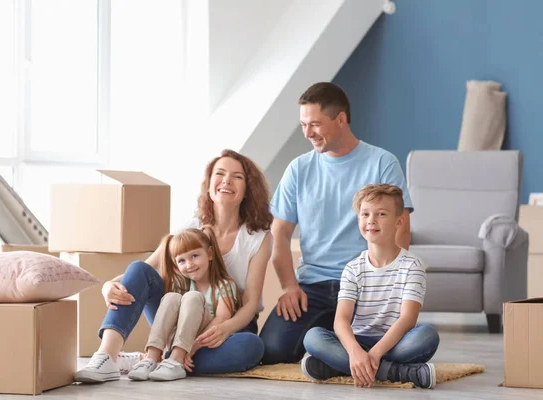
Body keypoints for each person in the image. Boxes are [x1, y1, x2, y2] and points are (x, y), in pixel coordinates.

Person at [75, 149, 273, 383]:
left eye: (237, 176)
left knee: (251, 347)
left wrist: (225, 328)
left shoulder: (257, 237)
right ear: (209, 184)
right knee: (138, 268)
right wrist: (109, 285)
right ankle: (108, 356)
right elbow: (144, 272)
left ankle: (159, 358)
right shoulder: (191, 226)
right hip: (178, 317)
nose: (226, 181)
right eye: (219, 174)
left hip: (228, 322)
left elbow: (250, 303)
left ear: (248, 188)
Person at [260, 82, 414, 365]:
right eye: (304, 125)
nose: (307, 133)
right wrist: (288, 287)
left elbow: (401, 228)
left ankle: (333, 356)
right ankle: (346, 353)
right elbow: (279, 234)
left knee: (412, 342)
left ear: (340, 119)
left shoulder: (381, 162)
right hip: (313, 287)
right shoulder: (298, 169)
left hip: (366, 283)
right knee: (271, 351)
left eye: (315, 124)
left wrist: (389, 285)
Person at [301, 184, 439, 389]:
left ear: (399, 221)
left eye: (381, 214)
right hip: (359, 340)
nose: (371, 220)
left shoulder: (413, 266)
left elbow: (407, 320)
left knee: (427, 335)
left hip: (395, 343)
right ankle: (394, 372)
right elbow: (341, 320)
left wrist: (374, 354)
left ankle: (338, 367)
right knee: (313, 338)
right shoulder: (352, 268)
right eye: (365, 214)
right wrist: (355, 352)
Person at [128, 227, 240, 382]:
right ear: (175, 265)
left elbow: (221, 319)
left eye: (194, 256)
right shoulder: (180, 285)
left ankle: (176, 360)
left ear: (209, 254)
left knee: (193, 297)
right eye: (182, 260)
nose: (189, 265)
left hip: (202, 338)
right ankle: (152, 357)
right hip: (179, 335)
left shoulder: (224, 285)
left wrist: (194, 346)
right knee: (170, 297)